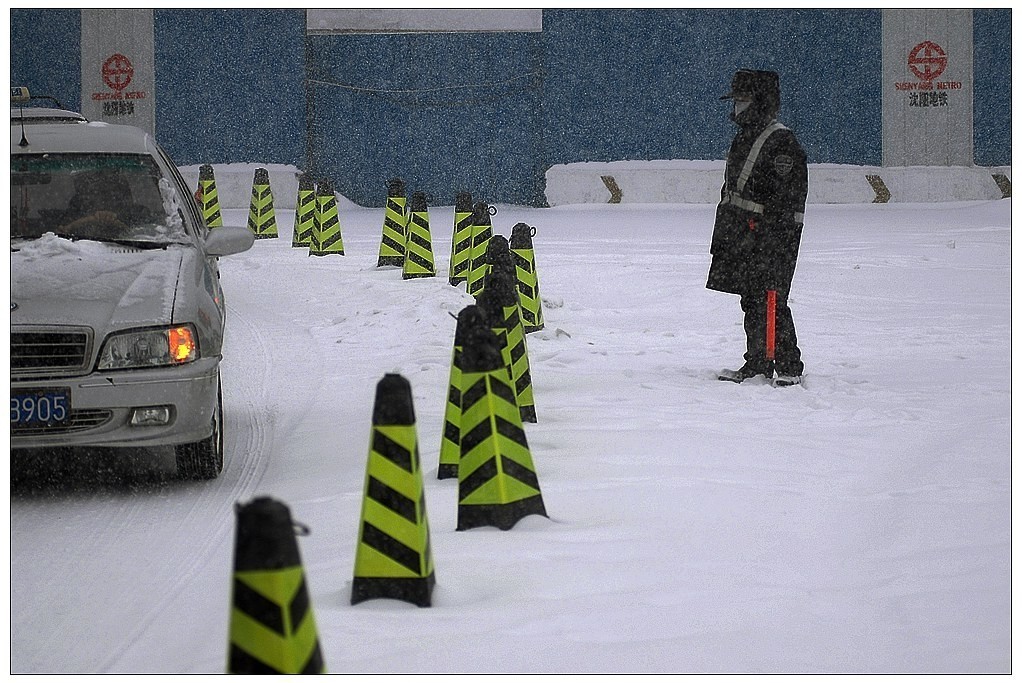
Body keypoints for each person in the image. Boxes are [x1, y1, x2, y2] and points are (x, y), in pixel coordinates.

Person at [707, 68, 808, 387]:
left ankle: (788, 364)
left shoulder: (780, 141)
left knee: (771, 297)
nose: (737, 106)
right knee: (752, 297)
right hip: (744, 231)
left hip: (769, 235)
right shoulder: (748, 134)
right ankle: (758, 362)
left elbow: (787, 196)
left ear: (761, 101)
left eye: (743, 99)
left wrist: (771, 237)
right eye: (736, 99)